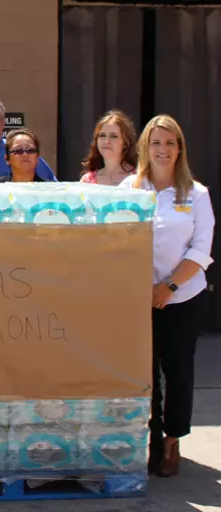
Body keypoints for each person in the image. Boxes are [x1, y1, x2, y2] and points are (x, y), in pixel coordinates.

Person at [122, 115, 214, 478]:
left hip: (182, 298)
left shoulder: (196, 193)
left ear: (180, 150)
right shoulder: (131, 188)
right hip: (137, 298)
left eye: (170, 143)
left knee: (177, 372)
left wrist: (168, 287)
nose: (163, 150)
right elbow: (119, 241)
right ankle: (151, 442)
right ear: (145, 147)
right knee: (145, 375)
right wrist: (140, 288)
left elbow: (201, 248)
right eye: (156, 143)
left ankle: (173, 440)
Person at [80, 110, 138, 185]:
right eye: (102, 135)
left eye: (113, 136)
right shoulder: (87, 181)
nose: (106, 141)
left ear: (125, 143)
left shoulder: (138, 179)